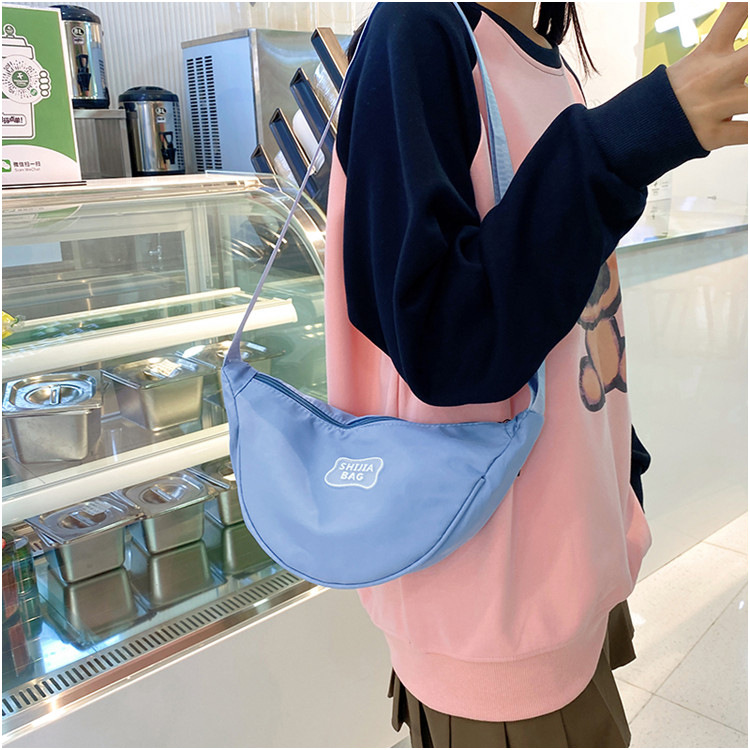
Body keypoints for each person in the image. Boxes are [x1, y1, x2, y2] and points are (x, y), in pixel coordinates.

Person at [323, 2, 748, 747]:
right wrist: (629, 137)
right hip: (492, 612)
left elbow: (573, 322)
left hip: (570, 563)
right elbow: (443, 343)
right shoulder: (418, 32)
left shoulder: (545, 65)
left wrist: (620, 474)